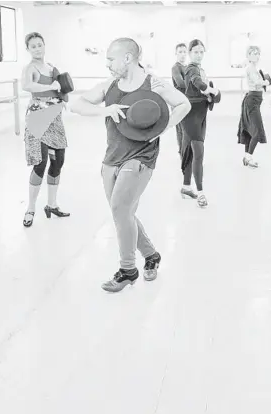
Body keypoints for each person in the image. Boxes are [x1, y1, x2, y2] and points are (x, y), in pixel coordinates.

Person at [69, 38, 191, 292]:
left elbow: (184, 104)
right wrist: (106, 110)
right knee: (123, 213)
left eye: (111, 59)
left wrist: (165, 127)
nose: (107, 65)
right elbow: (76, 104)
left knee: (119, 208)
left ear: (127, 58)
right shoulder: (109, 85)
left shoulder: (153, 83)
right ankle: (152, 255)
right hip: (111, 157)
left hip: (141, 157)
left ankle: (127, 270)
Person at [21, 32, 70, 227]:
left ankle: (51, 204)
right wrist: (52, 86)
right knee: (40, 163)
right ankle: (30, 208)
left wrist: (61, 96)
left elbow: (63, 89)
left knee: (58, 161)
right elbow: (27, 85)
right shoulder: (30, 68)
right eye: (33, 46)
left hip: (55, 115)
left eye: (39, 44)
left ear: (44, 45)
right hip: (37, 116)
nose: (37, 48)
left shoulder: (51, 67)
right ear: (28, 49)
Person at [179, 39, 220, 208]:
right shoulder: (191, 68)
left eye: (201, 51)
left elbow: (202, 87)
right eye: (195, 51)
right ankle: (201, 192)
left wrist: (210, 95)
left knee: (188, 151)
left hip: (200, 114)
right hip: (191, 115)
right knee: (198, 152)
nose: (199, 54)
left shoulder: (201, 69)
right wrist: (208, 90)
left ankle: (186, 187)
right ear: (190, 53)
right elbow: (196, 81)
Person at [237, 45, 271, 168]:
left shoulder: (255, 68)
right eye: (253, 53)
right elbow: (257, 82)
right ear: (248, 55)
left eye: (257, 53)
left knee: (250, 130)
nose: (256, 55)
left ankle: (247, 157)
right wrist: (266, 82)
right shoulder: (250, 68)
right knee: (257, 131)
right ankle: (248, 156)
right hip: (252, 101)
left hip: (254, 100)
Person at [171, 43, 187, 155]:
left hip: (187, 101)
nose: (182, 54)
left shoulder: (187, 67)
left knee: (187, 128)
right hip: (178, 102)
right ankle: (182, 152)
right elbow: (181, 83)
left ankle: (186, 150)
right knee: (181, 128)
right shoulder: (175, 67)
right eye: (180, 52)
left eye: (184, 52)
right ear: (176, 53)